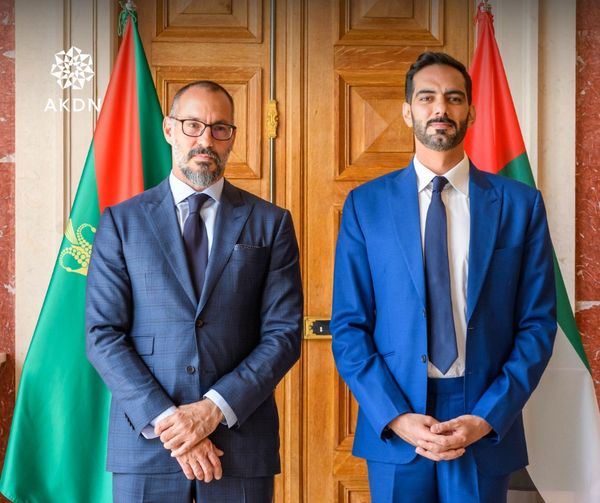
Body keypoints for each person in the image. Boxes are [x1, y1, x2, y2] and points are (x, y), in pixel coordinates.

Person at [330, 52, 556, 502]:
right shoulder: (365, 205)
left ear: (470, 111)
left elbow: (537, 324)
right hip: (397, 419)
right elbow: (349, 326)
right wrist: (395, 415)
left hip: (483, 417)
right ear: (407, 110)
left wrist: (488, 416)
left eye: (454, 99)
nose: (441, 109)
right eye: (427, 97)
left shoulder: (519, 205)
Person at [86, 80, 303, 502]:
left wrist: (211, 411)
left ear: (232, 138)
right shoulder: (121, 222)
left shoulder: (270, 223)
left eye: (220, 128)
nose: (206, 139)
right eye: (193, 125)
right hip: (147, 446)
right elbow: (103, 335)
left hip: (238, 448)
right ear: (169, 129)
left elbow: (283, 334)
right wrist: (173, 422)